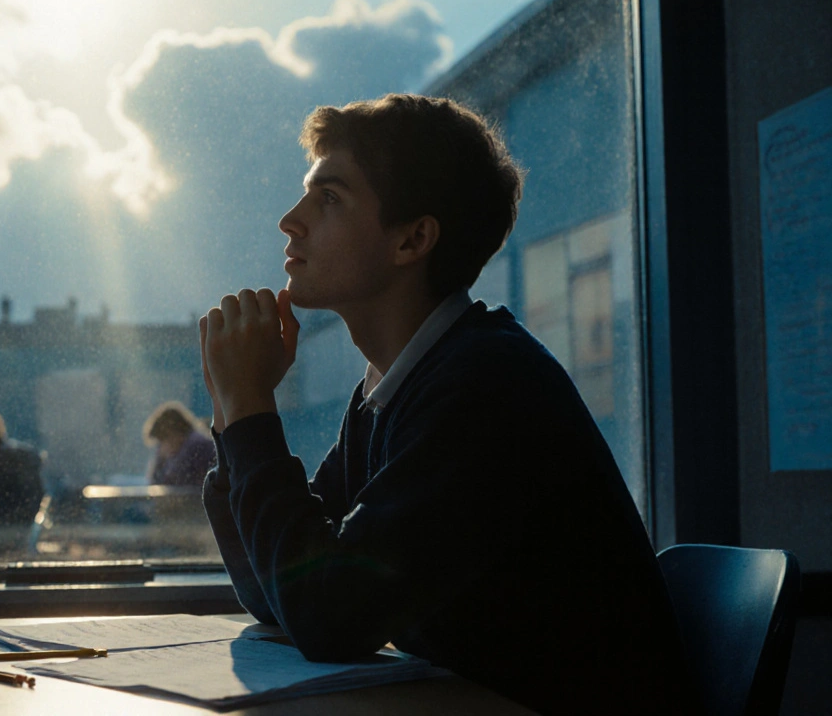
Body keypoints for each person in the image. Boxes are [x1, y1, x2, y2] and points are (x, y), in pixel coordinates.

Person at [198, 94, 696, 716]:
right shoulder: (397, 385)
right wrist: (233, 407)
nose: (289, 221)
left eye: (329, 198)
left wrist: (252, 407)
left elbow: (327, 615)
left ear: (413, 239)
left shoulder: (485, 385)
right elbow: (276, 589)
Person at [142, 401, 215, 487]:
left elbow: (171, 481)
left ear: (171, 434)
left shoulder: (196, 445)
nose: (161, 448)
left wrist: (161, 461)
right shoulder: (190, 444)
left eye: (162, 442)